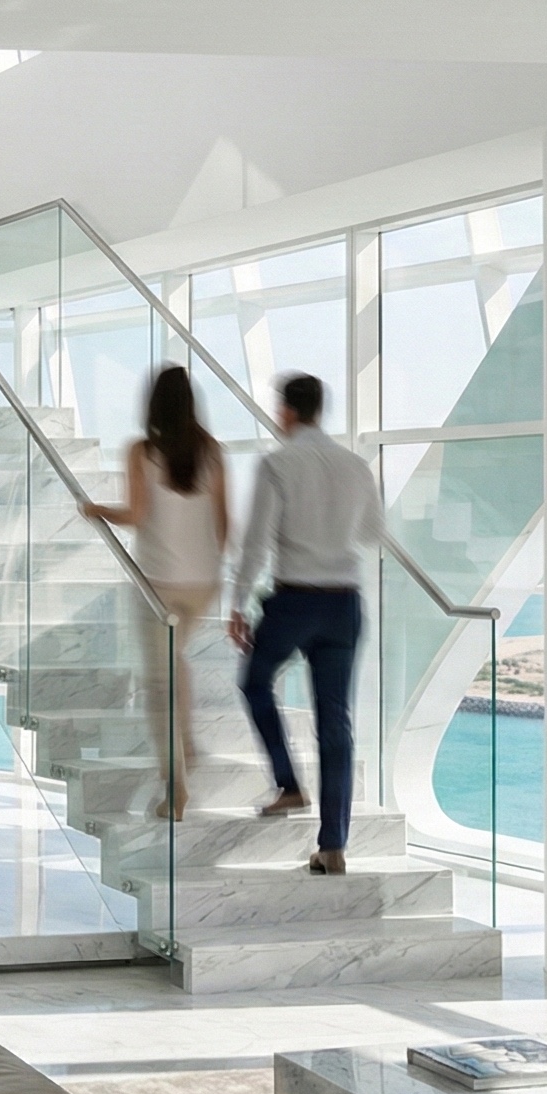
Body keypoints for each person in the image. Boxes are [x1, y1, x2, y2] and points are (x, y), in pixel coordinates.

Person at [227, 373, 383, 875]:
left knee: (255, 682)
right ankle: (333, 845)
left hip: (295, 599)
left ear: (287, 411)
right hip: (345, 603)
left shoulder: (278, 463)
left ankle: (289, 784)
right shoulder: (356, 466)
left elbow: (256, 542)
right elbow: (372, 532)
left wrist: (237, 603)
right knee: (336, 722)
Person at [82, 364, 228, 821]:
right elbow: (224, 522)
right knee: (174, 658)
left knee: (157, 685)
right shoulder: (212, 451)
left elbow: (136, 515)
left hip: (159, 586)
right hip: (203, 583)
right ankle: (186, 741)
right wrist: (212, 567)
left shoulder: (142, 451)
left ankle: (176, 787)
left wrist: (96, 510)